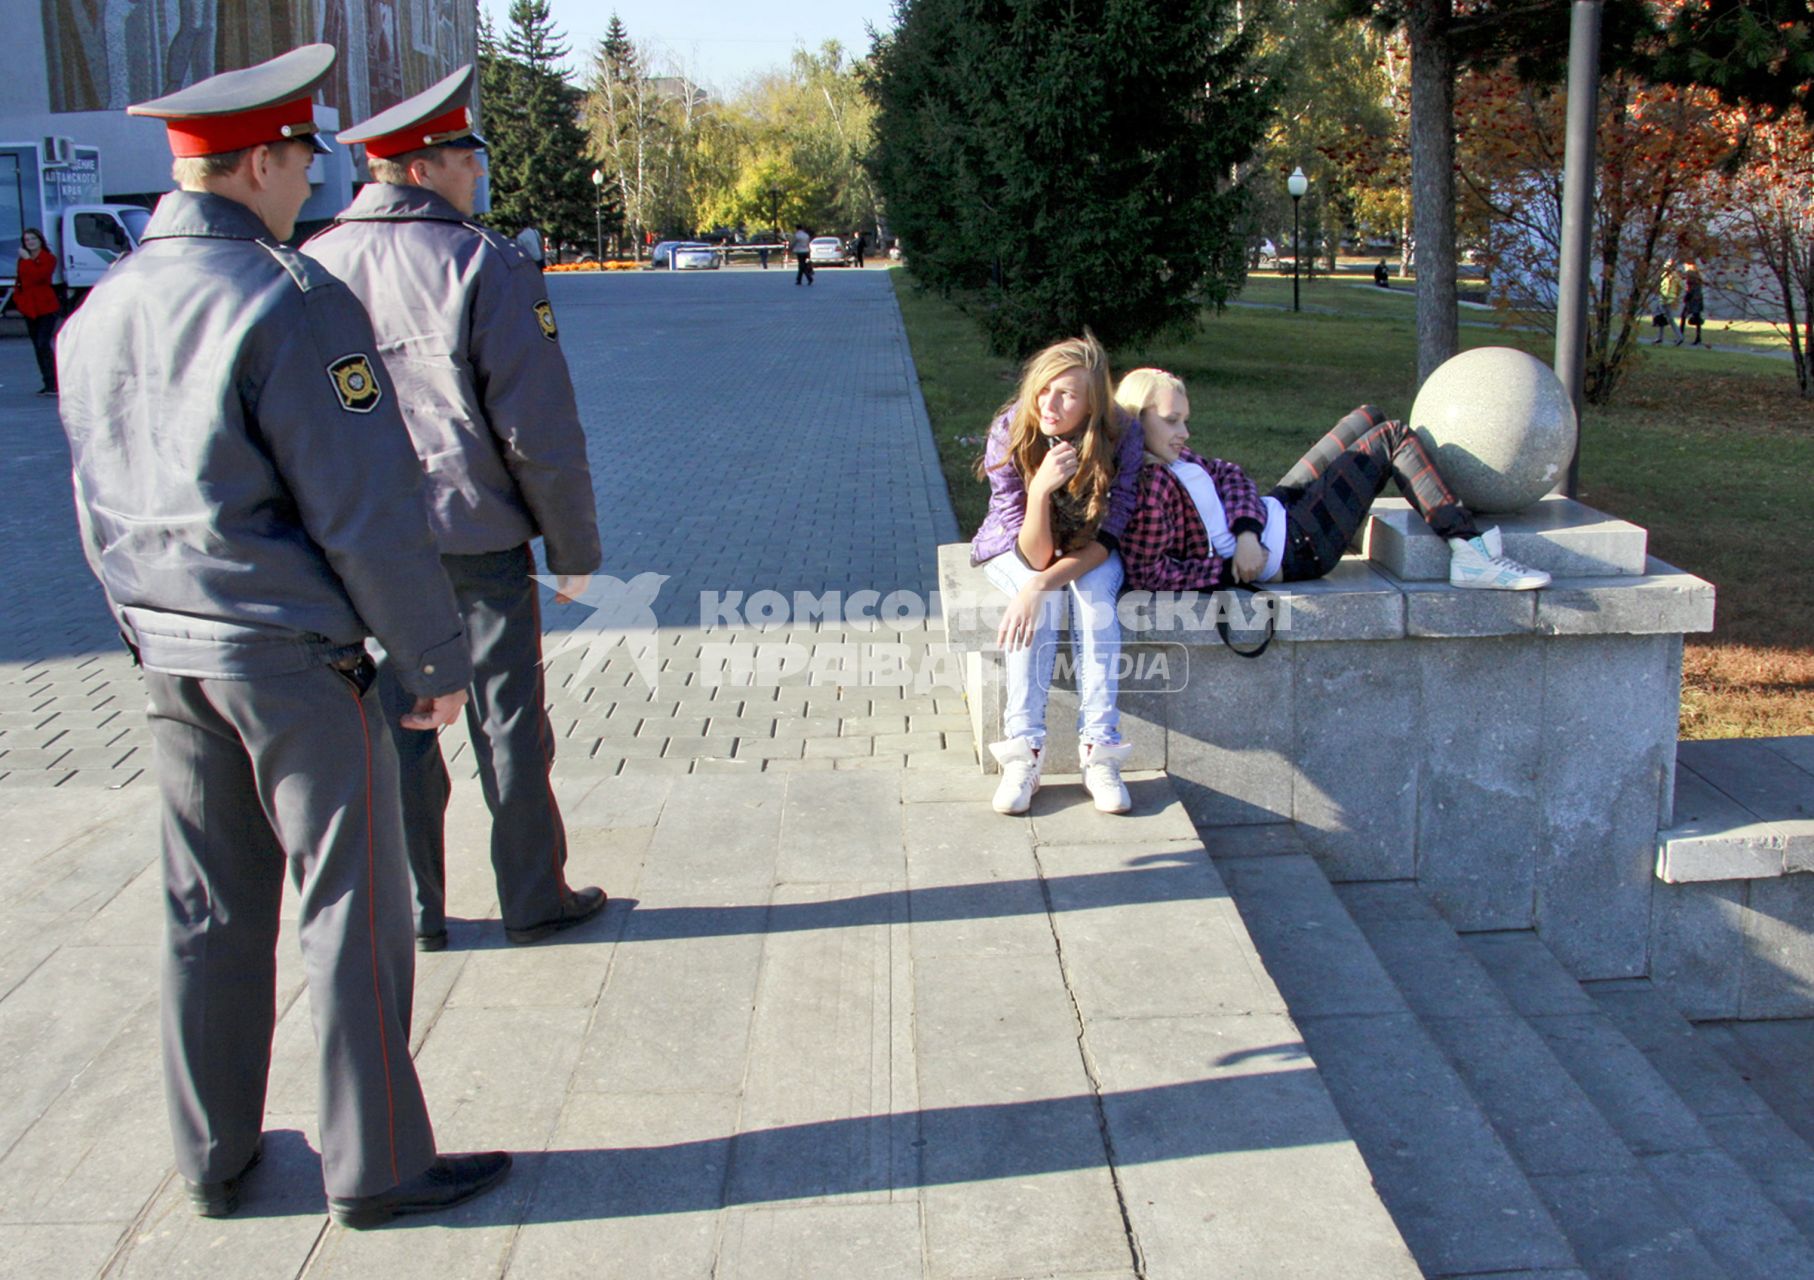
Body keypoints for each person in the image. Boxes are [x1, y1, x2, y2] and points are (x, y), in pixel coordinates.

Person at [56, 43, 509, 1230]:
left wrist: (143, 628)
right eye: (303, 154)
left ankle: (213, 1151)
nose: (311, 177)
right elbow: (365, 510)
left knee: (205, 908)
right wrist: (432, 661)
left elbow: (93, 503)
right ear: (260, 159)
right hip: (295, 662)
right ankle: (377, 1162)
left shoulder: (102, 306)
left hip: (172, 650)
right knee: (350, 909)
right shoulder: (291, 298)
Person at [305, 65, 607, 955]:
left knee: (396, 726)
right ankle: (532, 899)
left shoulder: (310, 265)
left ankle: (415, 911)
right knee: (507, 723)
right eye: (467, 157)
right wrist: (572, 545)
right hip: (473, 534)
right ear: (423, 165)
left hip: (360, 546)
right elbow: (536, 425)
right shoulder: (485, 262)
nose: (478, 173)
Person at [1114, 368, 1552, 594]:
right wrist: (1234, 566)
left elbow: (1230, 475)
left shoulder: (1174, 454)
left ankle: (1443, 510)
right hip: (1298, 547)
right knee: (1391, 436)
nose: (1185, 432)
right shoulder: (1149, 489)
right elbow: (1149, 573)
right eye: (1172, 421)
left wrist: (1247, 531)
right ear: (1136, 419)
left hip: (1273, 515)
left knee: (1368, 417)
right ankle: (1470, 552)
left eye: (1186, 420)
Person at [971, 333, 1144, 816]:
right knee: (1041, 605)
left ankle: (1100, 752)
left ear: (1093, 404)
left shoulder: (1120, 434)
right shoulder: (1012, 428)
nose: (1050, 402)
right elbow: (1033, 556)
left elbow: (1108, 537)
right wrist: (1042, 490)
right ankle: (1023, 753)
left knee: (1094, 602)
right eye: (1045, 388)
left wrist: (1041, 583)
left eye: (1068, 394)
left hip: (1089, 548)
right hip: (1017, 544)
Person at [15, 227, 62, 395]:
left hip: (46, 307)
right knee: (37, 346)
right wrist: (19, 300)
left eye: (33, 239)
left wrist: (28, 260)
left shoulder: (48, 258)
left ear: (40, 240)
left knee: (43, 343)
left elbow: (39, 276)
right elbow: (21, 280)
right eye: (27, 240)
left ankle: (55, 381)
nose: (30, 242)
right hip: (29, 308)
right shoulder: (22, 260)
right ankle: (48, 382)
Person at [1656, 261, 1686, 345]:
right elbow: (1662, 287)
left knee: (1670, 319)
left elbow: (1682, 287)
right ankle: (1660, 337)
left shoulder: (1675, 276)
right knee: (1661, 318)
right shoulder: (1665, 275)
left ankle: (1679, 337)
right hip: (1662, 299)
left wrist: (1676, 296)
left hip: (1669, 300)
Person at [1681, 263, 1706, 346]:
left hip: (1692, 300)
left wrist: (1686, 297)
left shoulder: (1690, 275)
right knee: (1697, 319)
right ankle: (1698, 338)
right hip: (1698, 299)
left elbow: (1690, 290)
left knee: (1684, 316)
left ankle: (1680, 336)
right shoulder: (1698, 276)